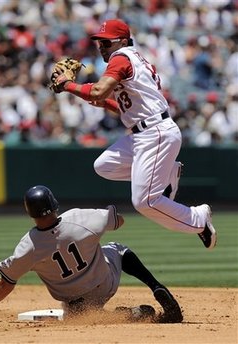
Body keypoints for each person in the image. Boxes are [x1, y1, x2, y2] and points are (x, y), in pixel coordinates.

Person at [52, 19, 217, 250]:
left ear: (121, 41)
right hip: (145, 133)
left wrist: (67, 84)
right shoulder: (131, 59)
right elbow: (112, 102)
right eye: (99, 43)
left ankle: (198, 218)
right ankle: (168, 171)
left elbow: (98, 90)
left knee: (145, 202)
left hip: (154, 133)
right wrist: (88, 95)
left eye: (106, 43)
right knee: (104, 166)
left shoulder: (121, 57)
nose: (101, 47)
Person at [0, 185, 183, 323]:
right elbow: (118, 221)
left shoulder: (28, 246)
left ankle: (126, 316)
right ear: (53, 204)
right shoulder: (80, 218)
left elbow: (7, 281)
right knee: (118, 248)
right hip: (105, 285)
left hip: (74, 303)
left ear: (29, 212)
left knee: (82, 317)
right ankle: (157, 288)